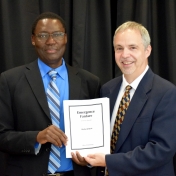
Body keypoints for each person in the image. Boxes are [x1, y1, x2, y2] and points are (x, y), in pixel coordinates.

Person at [0, 12, 100, 176]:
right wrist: (37, 137)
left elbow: (96, 137)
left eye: (57, 34)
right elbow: (2, 136)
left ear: (65, 38)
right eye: (43, 35)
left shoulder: (90, 82)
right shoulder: (10, 80)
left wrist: (88, 160)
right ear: (33, 39)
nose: (51, 41)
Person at [84, 21, 176, 176]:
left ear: (148, 50)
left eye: (133, 47)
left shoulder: (166, 93)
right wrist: (87, 155)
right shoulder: (107, 89)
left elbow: (161, 150)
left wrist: (108, 161)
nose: (125, 55)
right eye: (119, 48)